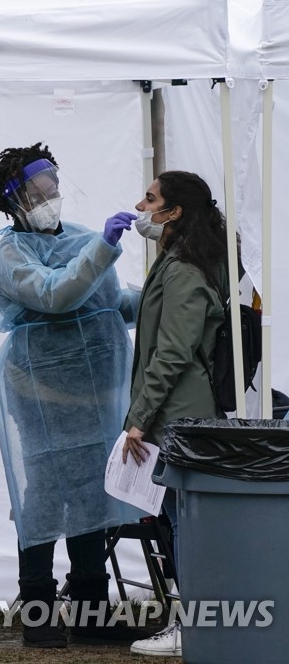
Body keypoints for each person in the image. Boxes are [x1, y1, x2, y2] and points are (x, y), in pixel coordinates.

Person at [0, 143, 146, 648]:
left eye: (53, 186)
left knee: (90, 494)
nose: (52, 196)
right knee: (45, 497)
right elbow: (57, 295)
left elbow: (110, 301)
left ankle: (91, 614)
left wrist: (164, 292)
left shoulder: (78, 238)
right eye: (40, 191)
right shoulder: (11, 254)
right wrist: (104, 245)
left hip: (93, 395)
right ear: (15, 200)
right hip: (39, 391)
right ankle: (38, 610)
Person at [122, 171, 229, 658]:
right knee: (174, 519)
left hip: (179, 417)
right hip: (176, 415)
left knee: (183, 521)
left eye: (150, 199)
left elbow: (171, 355)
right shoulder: (177, 262)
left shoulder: (184, 271)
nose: (141, 207)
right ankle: (189, 621)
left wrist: (139, 418)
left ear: (174, 212)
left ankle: (191, 626)